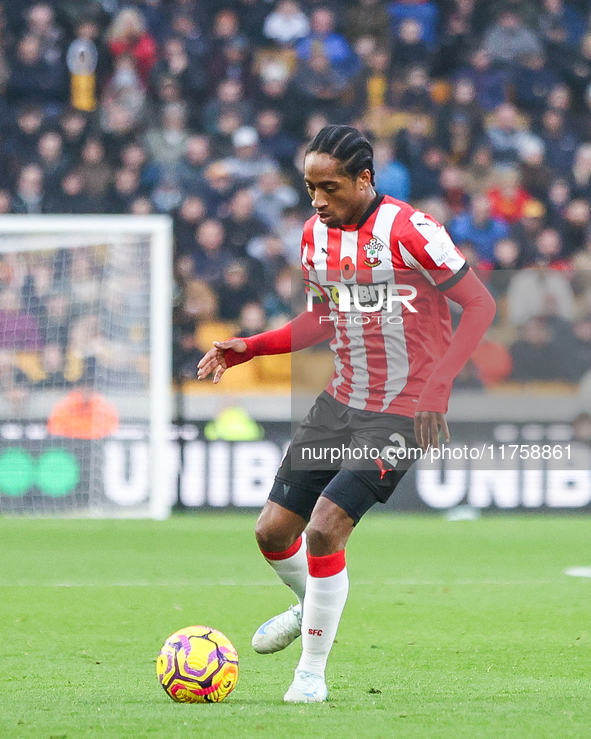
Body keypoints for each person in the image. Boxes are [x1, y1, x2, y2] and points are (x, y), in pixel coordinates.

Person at [197, 125, 496, 703]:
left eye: (329, 188)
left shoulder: (412, 231)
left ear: (365, 179)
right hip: (341, 400)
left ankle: (310, 674)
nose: (317, 201)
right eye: (310, 188)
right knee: (271, 532)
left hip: (405, 409)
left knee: (324, 528)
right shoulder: (315, 236)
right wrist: (251, 346)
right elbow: (320, 320)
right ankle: (312, 602)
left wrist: (438, 387)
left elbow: (480, 304)